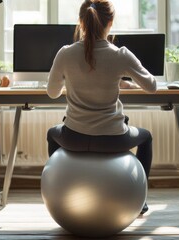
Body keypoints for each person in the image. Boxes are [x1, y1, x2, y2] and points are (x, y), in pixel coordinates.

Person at [46, 0, 157, 215]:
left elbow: (52, 93)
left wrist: (70, 80)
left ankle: (59, 191)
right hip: (113, 138)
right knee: (147, 137)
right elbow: (151, 86)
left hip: (73, 137)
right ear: (111, 23)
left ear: (81, 22)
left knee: (52, 134)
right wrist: (120, 76)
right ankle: (140, 200)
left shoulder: (65, 53)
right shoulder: (119, 54)